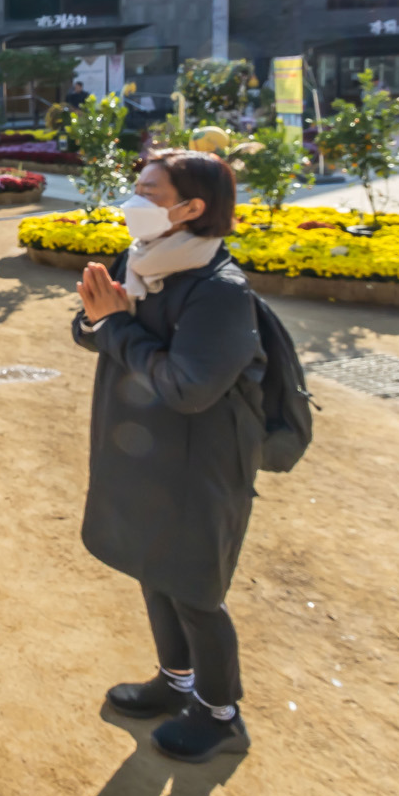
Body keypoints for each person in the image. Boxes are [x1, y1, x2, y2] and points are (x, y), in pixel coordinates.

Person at [72, 150, 264, 763]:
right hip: (147, 455)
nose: (134, 201)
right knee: (154, 570)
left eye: (148, 192)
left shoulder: (220, 292)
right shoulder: (145, 262)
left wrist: (116, 328)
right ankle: (175, 681)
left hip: (199, 465)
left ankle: (219, 714)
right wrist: (101, 321)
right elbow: (89, 325)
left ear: (191, 209)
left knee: (195, 590)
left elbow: (188, 386)